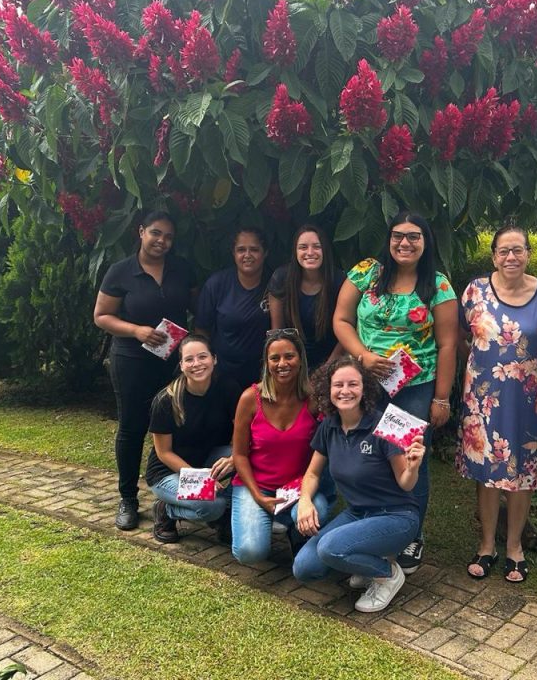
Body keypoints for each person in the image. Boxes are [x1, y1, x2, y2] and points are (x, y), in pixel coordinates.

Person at [333, 211, 457, 573]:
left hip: (414, 390)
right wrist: (363, 355)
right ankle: (369, 521)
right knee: (365, 453)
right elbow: (341, 320)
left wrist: (441, 398)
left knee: (410, 457)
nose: (405, 243)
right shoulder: (366, 273)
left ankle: (411, 533)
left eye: (414, 236)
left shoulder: (437, 285)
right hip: (365, 385)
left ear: (425, 242)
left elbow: (448, 344)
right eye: (398, 236)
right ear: (388, 239)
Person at [457, 225, 537, 583]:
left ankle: (514, 546)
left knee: (522, 474)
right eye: (503, 251)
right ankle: (487, 545)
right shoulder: (475, 291)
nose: (510, 257)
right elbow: (459, 336)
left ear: (529, 253)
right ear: (493, 255)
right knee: (487, 472)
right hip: (483, 398)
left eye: (518, 250)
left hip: (531, 400)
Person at [292, 357, 425, 613]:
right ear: (327, 390)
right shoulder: (329, 426)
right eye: (338, 385)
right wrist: (305, 501)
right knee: (305, 568)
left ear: (364, 388)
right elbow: (311, 474)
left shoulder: (382, 426)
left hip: (397, 515)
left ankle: (387, 574)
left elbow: (406, 484)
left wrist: (413, 466)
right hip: (357, 513)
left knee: (330, 548)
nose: (345, 391)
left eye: (353, 384)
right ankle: (366, 562)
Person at [93, 210, 196, 531]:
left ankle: (168, 498)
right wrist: (136, 330)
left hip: (174, 363)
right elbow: (101, 316)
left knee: (174, 428)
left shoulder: (181, 270)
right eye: (155, 233)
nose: (161, 241)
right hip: (132, 362)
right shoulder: (120, 272)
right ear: (141, 232)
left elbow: (196, 308)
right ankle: (128, 498)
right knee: (132, 428)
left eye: (167, 236)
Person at [230, 328, 331, 564]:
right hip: (256, 485)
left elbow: (328, 442)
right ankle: (245, 515)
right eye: (274, 358)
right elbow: (239, 455)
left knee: (321, 511)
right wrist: (257, 496)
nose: (282, 363)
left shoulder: (314, 399)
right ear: (266, 363)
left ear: (300, 359)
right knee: (250, 553)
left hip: (297, 488)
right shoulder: (250, 398)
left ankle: (293, 529)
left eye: (289, 356)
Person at [145, 334, 240, 544]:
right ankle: (166, 509)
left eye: (202, 357)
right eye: (189, 359)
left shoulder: (227, 388)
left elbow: (240, 432)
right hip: (167, 472)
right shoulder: (166, 400)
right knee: (211, 506)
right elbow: (164, 453)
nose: (196, 364)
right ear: (181, 365)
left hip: (206, 460)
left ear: (214, 359)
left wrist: (234, 458)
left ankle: (225, 513)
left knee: (246, 458)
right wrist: (200, 479)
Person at [196, 226, 270, 389]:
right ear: (233, 253)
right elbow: (202, 330)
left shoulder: (276, 283)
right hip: (223, 376)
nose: (247, 255)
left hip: (265, 376)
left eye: (254, 250)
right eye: (241, 250)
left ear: (265, 253)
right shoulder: (216, 284)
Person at [267, 224, 345, 372]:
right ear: (295, 252)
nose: (310, 252)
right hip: (291, 362)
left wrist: (327, 369)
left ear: (325, 250)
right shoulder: (281, 278)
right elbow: (277, 332)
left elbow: (347, 328)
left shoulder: (339, 280)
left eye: (316, 246)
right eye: (303, 247)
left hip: (333, 362)